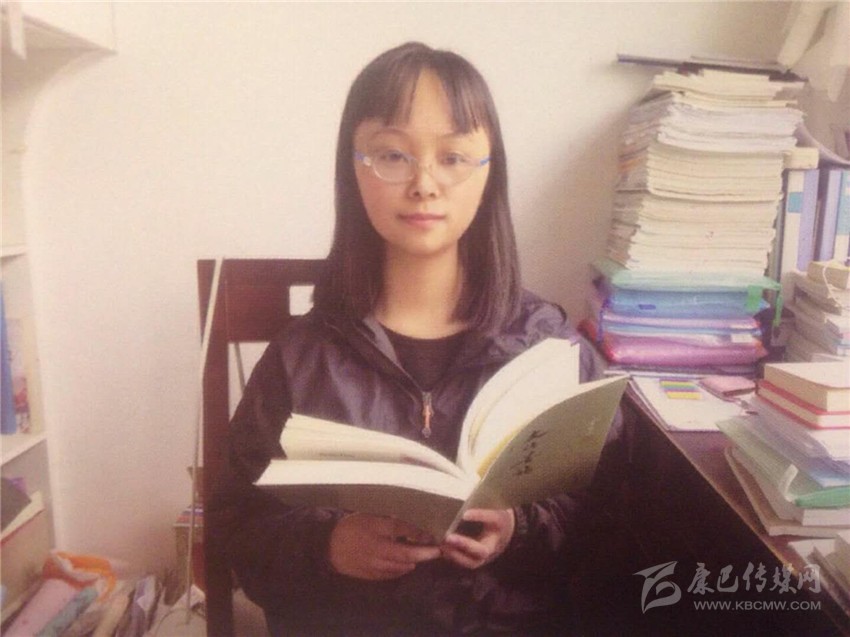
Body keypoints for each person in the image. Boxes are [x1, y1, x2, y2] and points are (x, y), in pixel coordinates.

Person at [211, 41, 619, 636]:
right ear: (354, 169)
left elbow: (612, 529)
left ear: (489, 172)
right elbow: (237, 532)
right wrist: (328, 546)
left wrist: (519, 529)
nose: (425, 184)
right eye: (392, 155)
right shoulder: (300, 359)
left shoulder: (549, 350)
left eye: (453, 157)